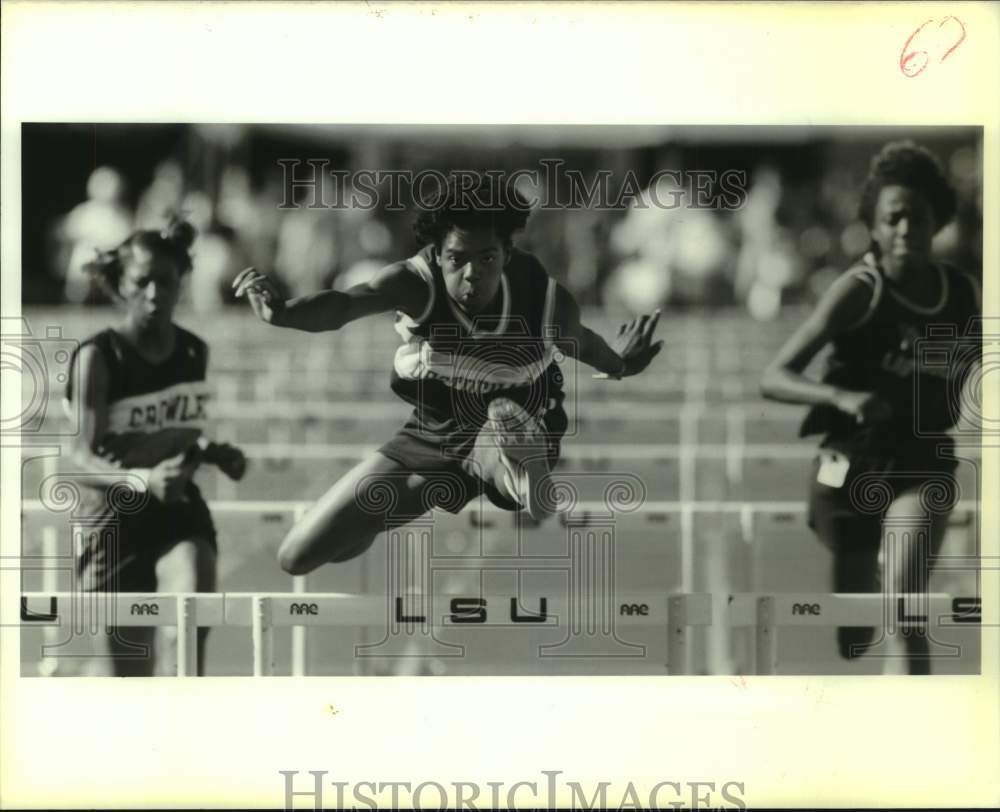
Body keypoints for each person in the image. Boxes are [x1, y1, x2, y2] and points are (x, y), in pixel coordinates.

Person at [233, 174, 663, 575]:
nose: (473, 273)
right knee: (299, 556)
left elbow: (583, 344)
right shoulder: (413, 282)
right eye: (458, 259)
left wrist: (621, 364)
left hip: (520, 417)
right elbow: (344, 305)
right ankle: (464, 478)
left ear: (507, 254)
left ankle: (516, 474)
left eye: (487, 258)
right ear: (438, 257)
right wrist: (285, 313)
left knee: (497, 427)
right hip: (436, 428)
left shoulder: (544, 299)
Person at [760, 141, 981, 674]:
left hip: (920, 461)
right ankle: (879, 563)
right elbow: (774, 376)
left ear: (939, 222)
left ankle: (911, 735)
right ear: (875, 227)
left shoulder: (961, 294)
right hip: (848, 461)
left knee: (905, 614)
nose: (906, 229)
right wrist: (842, 396)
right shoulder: (860, 290)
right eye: (894, 218)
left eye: (918, 217)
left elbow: (967, 376)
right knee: (855, 637)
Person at [66, 219, 246, 676]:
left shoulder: (193, 352)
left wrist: (211, 452)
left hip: (176, 509)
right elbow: (81, 456)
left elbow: (176, 431)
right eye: (141, 282)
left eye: (164, 282)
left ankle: (186, 729)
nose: (153, 294)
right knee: (130, 678)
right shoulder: (98, 357)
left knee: (187, 635)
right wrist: (144, 480)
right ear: (121, 285)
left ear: (180, 283)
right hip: (113, 516)